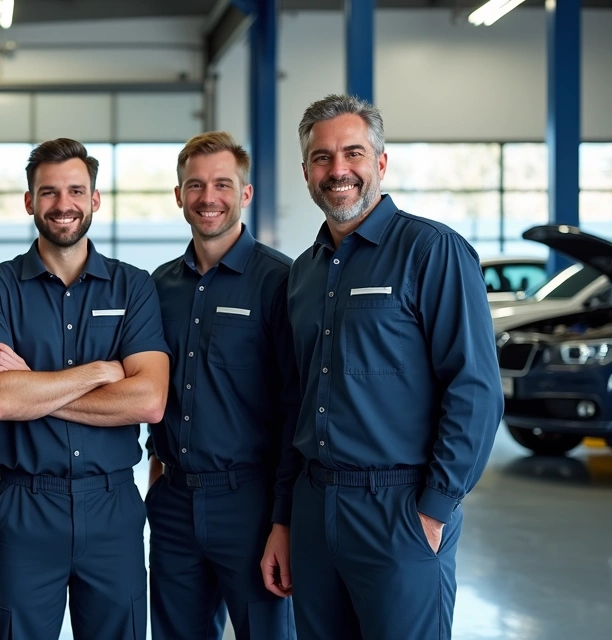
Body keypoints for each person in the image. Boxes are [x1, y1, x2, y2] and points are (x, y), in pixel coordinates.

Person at [274, 94, 502, 639]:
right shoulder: (303, 273)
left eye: (352, 153)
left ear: (379, 162)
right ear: (306, 171)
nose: (338, 170)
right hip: (314, 503)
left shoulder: (432, 251)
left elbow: (474, 390)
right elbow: (294, 399)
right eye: (322, 158)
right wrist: (285, 516)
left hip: (398, 508)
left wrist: (434, 510)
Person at [0, 138, 171, 639]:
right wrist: (101, 372)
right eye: (49, 192)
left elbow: (149, 400)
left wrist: (32, 386)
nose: (63, 204)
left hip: (114, 505)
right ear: (30, 202)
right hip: (26, 505)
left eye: (76, 190)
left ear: (95, 199)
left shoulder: (133, 287)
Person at [147, 131, 299, 640]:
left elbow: (296, 404)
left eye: (222, 184)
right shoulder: (159, 287)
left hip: (251, 505)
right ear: (178, 195)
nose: (207, 198)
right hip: (172, 503)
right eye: (195, 185)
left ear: (246, 193)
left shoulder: (282, 282)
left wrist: (283, 519)